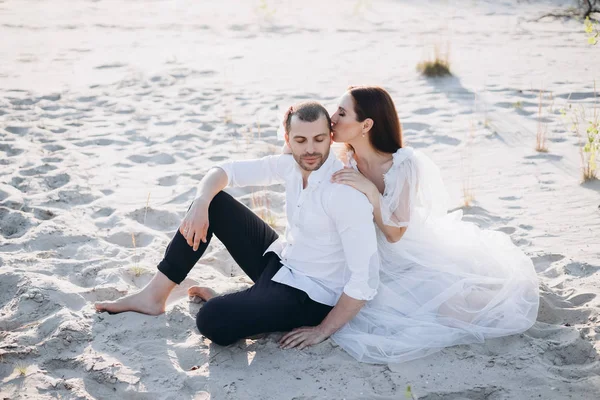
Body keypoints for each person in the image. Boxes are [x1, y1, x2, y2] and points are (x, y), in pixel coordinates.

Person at [95, 101, 381, 350]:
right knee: (214, 202)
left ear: (331, 138)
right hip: (283, 263)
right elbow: (225, 171)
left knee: (212, 319)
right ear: (288, 138)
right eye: (301, 140)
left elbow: (364, 278)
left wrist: (323, 330)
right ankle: (154, 297)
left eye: (319, 140)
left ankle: (248, 304)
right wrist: (200, 202)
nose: (310, 150)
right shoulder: (291, 165)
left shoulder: (344, 194)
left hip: (309, 294)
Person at [310, 85, 539, 364]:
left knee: (445, 311)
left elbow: (396, 233)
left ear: (366, 125)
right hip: (361, 247)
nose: (333, 118)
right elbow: (302, 156)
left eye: (342, 113)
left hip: (403, 251)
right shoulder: (345, 158)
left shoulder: (402, 164)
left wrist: (370, 191)